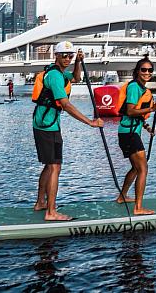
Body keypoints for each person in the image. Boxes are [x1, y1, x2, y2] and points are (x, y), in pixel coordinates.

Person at [32, 41, 103, 221]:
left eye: (70, 55)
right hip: (47, 125)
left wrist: (78, 62)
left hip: (48, 123)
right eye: (64, 55)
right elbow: (65, 104)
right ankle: (51, 212)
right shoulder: (55, 76)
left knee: (50, 166)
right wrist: (90, 122)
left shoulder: (61, 73)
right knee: (55, 166)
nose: (67, 58)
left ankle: (41, 202)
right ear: (56, 55)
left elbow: (77, 78)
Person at [116, 56, 156, 215]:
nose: (147, 72)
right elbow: (130, 111)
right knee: (143, 168)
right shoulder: (135, 87)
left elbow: (136, 116)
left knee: (136, 168)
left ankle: (122, 196)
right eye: (144, 70)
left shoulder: (142, 89)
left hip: (130, 131)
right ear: (137, 71)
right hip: (129, 134)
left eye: (150, 70)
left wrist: (147, 127)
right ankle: (138, 208)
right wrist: (152, 109)